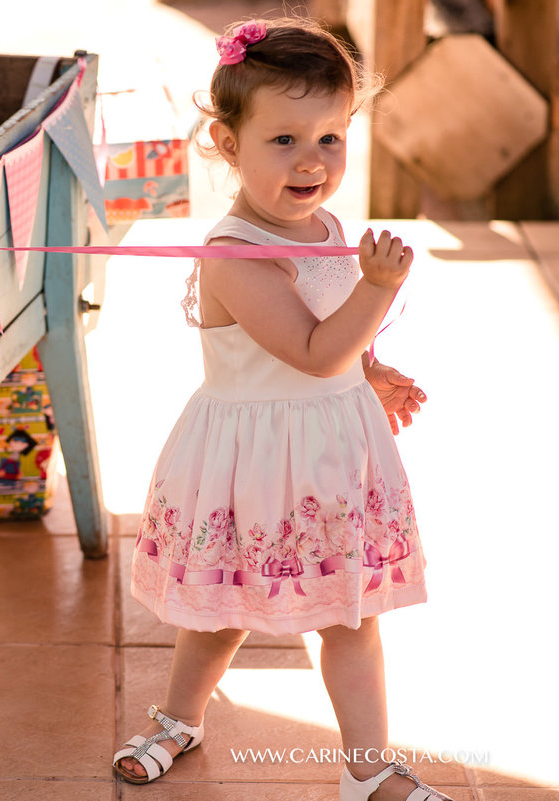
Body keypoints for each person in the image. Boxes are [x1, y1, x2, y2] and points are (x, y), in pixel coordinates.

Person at [112, 17, 448, 801]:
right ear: (228, 144)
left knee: (351, 615)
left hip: (330, 455)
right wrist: (378, 289)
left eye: (330, 138)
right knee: (218, 614)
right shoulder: (232, 254)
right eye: (284, 140)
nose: (312, 162)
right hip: (250, 460)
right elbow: (309, 351)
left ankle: (366, 770)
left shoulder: (327, 228)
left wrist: (374, 371)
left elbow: (339, 350)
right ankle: (179, 717)